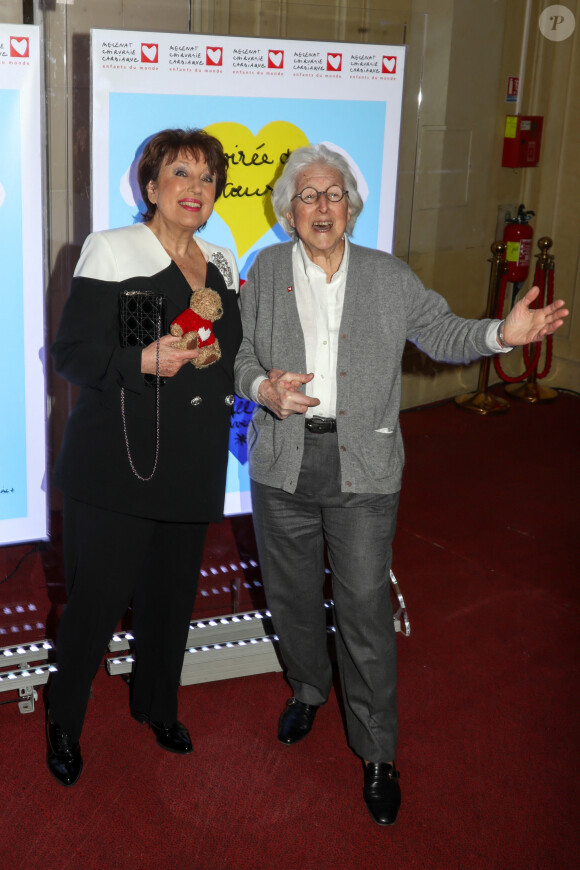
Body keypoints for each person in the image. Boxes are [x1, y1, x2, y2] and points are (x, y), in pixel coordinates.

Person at [233, 143, 568, 826]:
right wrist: (262, 386)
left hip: (364, 467)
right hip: (283, 465)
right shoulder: (264, 270)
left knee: (363, 610)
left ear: (351, 207)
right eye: (308, 196)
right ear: (288, 212)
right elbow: (241, 355)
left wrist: (502, 334)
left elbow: (442, 332)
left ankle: (378, 750)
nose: (321, 206)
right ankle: (306, 689)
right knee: (292, 596)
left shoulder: (388, 276)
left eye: (333, 195)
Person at [47, 128, 242, 786]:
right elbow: (70, 356)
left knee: (170, 598)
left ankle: (157, 704)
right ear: (151, 187)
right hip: (117, 463)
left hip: (191, 459)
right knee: (97, 604)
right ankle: (64, 722)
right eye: (181, 174)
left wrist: (251, 378)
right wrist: (141, 360)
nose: (196, 188)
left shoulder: (221, 257)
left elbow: (224, 354)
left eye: (207, 178)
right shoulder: (112, 248)